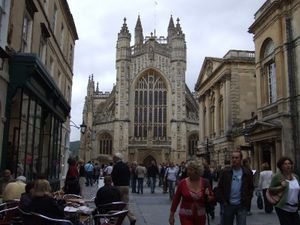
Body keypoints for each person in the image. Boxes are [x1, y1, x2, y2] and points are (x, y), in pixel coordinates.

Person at [169, 160, 214, 225]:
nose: (188, 172)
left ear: (197, 171)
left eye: (191, 170)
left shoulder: (205, 182)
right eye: (188, 169)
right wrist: (171, 215)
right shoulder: (182, 183)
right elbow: (176, 199)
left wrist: (209, 197)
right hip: (185, 216)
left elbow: (212, 196)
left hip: (201, 216)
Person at [218, 151, 254, 225]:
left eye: (236, 158)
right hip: (228, 204)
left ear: (241, 159)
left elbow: (250, 187)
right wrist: (223, 201)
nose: (234, 160)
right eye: (233, 158)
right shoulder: (225, 172)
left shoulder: (247, 173)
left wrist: (247, 200)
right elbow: (220, 187)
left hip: (241, 205)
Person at [269, 156, 300, 225]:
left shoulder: (296, 177)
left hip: (294, 208)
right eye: (285, 164)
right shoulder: (277, 176)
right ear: (281, 166)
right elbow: (270, 190)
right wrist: (281, 187)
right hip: (283, 208)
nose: (288, 165)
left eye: (289, 163)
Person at [111, 152, 136, 225]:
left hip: (118, 187)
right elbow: (129, 174)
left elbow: (113, 176)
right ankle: (132, 218)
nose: (113, 159)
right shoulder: (125, 166)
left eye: (114, 158)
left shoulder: (116, 166)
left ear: (116, 158)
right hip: (126, 187)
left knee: (116, 204)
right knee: (125, 204)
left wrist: (114, 183)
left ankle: (115, 220)